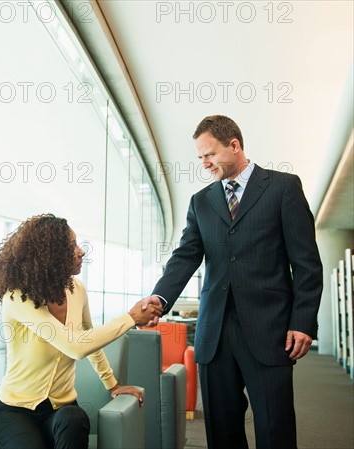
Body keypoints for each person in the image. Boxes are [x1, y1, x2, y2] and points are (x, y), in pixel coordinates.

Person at [147, 115, 323, 449]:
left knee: (275, 429)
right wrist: (160, 297)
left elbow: (307, 265)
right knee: (221, 431)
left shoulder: (283, 188)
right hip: (214, 335)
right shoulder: (201, 202)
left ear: (235, 145)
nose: (204, 163)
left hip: (270, 330)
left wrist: (303, 322)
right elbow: (186, 256)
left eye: (209, 154)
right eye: (200, 158)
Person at [0, 213, 161, 449]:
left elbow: (89, 338)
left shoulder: (77, 289)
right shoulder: (18, 295)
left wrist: (113, 385)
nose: (81, 251)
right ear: (49, 255)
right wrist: (130, 318)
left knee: (74, 419)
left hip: (62, 411)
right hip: (14, 413)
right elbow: (76, 346)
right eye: (71, 247)